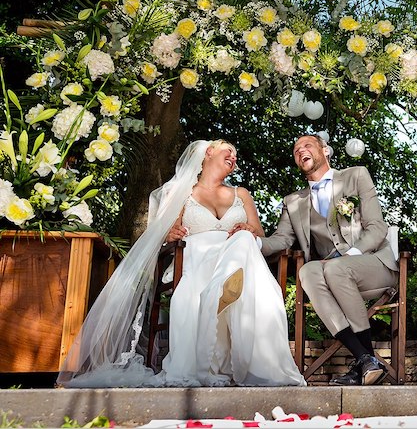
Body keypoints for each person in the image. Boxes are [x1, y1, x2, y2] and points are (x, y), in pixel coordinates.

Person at [58, 139, 305, 387]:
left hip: (240, 257)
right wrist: (170, 233)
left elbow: (260, 235)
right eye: (229, 151)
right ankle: (219, 291)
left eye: (236, 156)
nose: (234, 157)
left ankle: (220, 290)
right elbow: (167, 232)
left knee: (243, 239)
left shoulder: (241, 194)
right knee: (240, 251)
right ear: (209, 152)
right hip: (198, 257)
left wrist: (248, 228)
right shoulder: (184, 192)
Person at [257, 134, 398, 386]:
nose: (301, 150)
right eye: (296, 149)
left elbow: (377, 228)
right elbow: (281, 240)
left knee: (334, 268)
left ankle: (364, 360)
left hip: (374, 265)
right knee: (308, 271)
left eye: (307, 145)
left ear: (325, 151)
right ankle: (366, 360)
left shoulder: (356, 176)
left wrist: (349, 256)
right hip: (333, 276)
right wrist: (252, 241)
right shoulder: (293, 202)